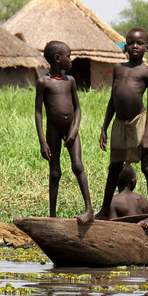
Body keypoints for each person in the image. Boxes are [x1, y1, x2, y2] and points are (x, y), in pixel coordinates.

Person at [95, 27, 148, 229]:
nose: (134, 46)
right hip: (119, 123)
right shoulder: (118, 68)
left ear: (147, 47)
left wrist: (147, 135)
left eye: (139, 44)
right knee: (114, 166)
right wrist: (105, 126)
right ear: (125, 45)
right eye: (130, 42)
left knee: (147, 166)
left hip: (139, 121)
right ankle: (105, 211)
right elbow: (112, 100)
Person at [34, 41, 94, 223]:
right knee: (54, 172)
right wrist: (42, 142)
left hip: (70, 129)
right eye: (68, 56)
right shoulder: (43, 82)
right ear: (58, 59)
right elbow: (38, 112)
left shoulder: (71, 81)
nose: (71, 60)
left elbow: (78, 109)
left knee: (77, 165)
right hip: (53, 129)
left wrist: (74, 130)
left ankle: (89, 209)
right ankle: (52, 215)